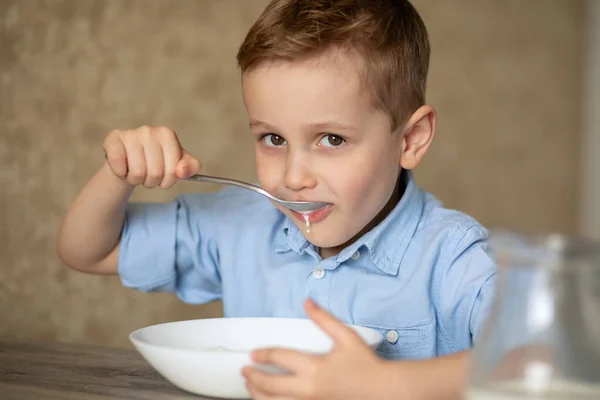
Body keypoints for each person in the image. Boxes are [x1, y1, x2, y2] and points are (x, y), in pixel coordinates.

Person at [57, 1, 496, 398]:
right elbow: (88, 252)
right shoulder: (240, 224)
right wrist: (119, 174)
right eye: (273, 138)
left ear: (411, 139)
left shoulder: (452, 258)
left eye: (331, 139)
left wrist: (385, 384)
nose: (293, 177)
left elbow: (546, 359)